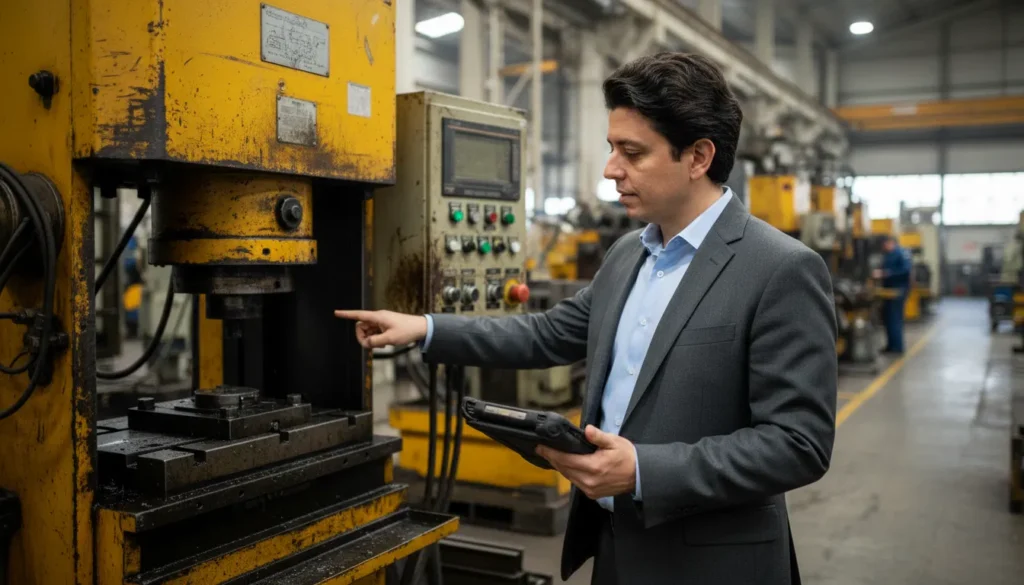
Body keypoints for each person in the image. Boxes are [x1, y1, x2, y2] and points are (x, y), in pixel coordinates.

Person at [337, 52, 837, 585]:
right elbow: (549, 333)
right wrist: (426, 327)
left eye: (632, 152)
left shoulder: (780, 269)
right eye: (611, 148)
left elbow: (797, 443)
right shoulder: (628, 254)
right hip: (616, 547)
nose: (610, 169)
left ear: (698, 157)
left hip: (712, 561)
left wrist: (643, 470)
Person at [873, 236, 912, 354]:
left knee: (895, 318)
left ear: (891, 243)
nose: (884, 247)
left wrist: (886, 274)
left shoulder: (901, 253)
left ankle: (898, 347)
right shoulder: (888, 255)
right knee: (888, 318)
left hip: (898, 291)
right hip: (888, 292)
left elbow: (906, 271)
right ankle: (890, 346)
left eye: (885, 244)